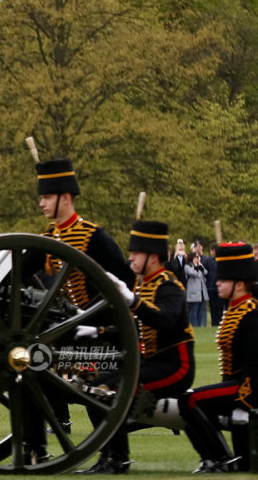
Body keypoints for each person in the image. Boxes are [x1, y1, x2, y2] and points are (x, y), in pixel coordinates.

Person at [24, 157, 135, 463]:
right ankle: (34, 449)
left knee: (94, 380)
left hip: (103, 333)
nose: (42, 204)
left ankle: (116, 456)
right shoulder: (50, 238)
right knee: (25, 369)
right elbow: (17, 272)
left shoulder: (93, 236)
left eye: (47, 197)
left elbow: (126, 281)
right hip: (72, 329)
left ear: (66, 198)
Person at [77, 220, 195, 475]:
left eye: (135, 253)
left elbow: (165, 320)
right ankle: (108, 456)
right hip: (151, 365)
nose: (130, 258)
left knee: (107, 392)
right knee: (93, 389)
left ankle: (118, 460)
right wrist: (96, 331)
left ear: (152, 256)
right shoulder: (143, 285)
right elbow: (132, 329)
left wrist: (132, 300)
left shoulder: (169, 285)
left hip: (175, 367)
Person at [179, 242, 258, 473]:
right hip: (238, 387)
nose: (217, 283)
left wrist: (243, 402)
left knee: (190, 400)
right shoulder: (235, 311)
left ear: (240, 285)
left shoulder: (253, 315)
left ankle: (221, 459)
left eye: (223, 280)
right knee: (190, 402)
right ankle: (214, 458)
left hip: (253, 392)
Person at [183, 248, 209, 328]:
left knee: (201, 310)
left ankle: (200, 325)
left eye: (198, 257)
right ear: (192, 258)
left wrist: (200, 265)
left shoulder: (199, 266)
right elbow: (193, 273)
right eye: (196, 257)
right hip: (194, 293)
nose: (197, 259)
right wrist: (195, 266)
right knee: (194, 310)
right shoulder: (187, 267)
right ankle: (194, 326)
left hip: (202, 292)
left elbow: (205, 272)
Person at [200, 242, 222, 326]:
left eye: (213, 250)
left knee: (220, 306)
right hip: (211, 286)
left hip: (220, 286)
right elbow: (204, 271)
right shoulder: (208, 260)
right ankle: (214, 323)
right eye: (211, 250)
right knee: (213, 306)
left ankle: (219, 323)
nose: (212, 252)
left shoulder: (221, 260)